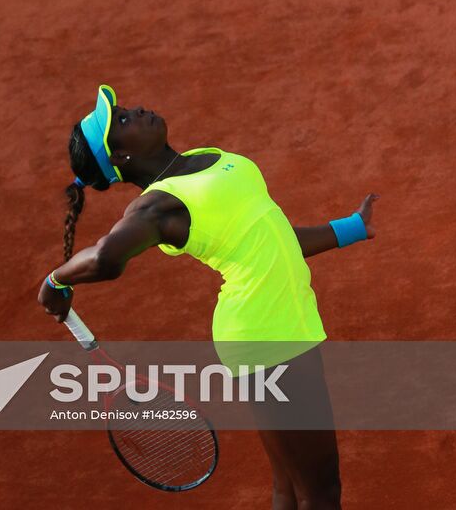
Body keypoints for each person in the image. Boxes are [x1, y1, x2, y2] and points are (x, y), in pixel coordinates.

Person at [39, 84, 379, 509]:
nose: (137, 109)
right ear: (120, 158)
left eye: (124, 109)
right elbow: (107, 256)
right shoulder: (156, 206)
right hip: (267, 334)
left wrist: (349, 229)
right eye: (122, 121)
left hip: (276, 324)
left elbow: (268, 236)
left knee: (290, 488)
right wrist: (56, 281)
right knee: (321, 491)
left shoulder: (203, 159)